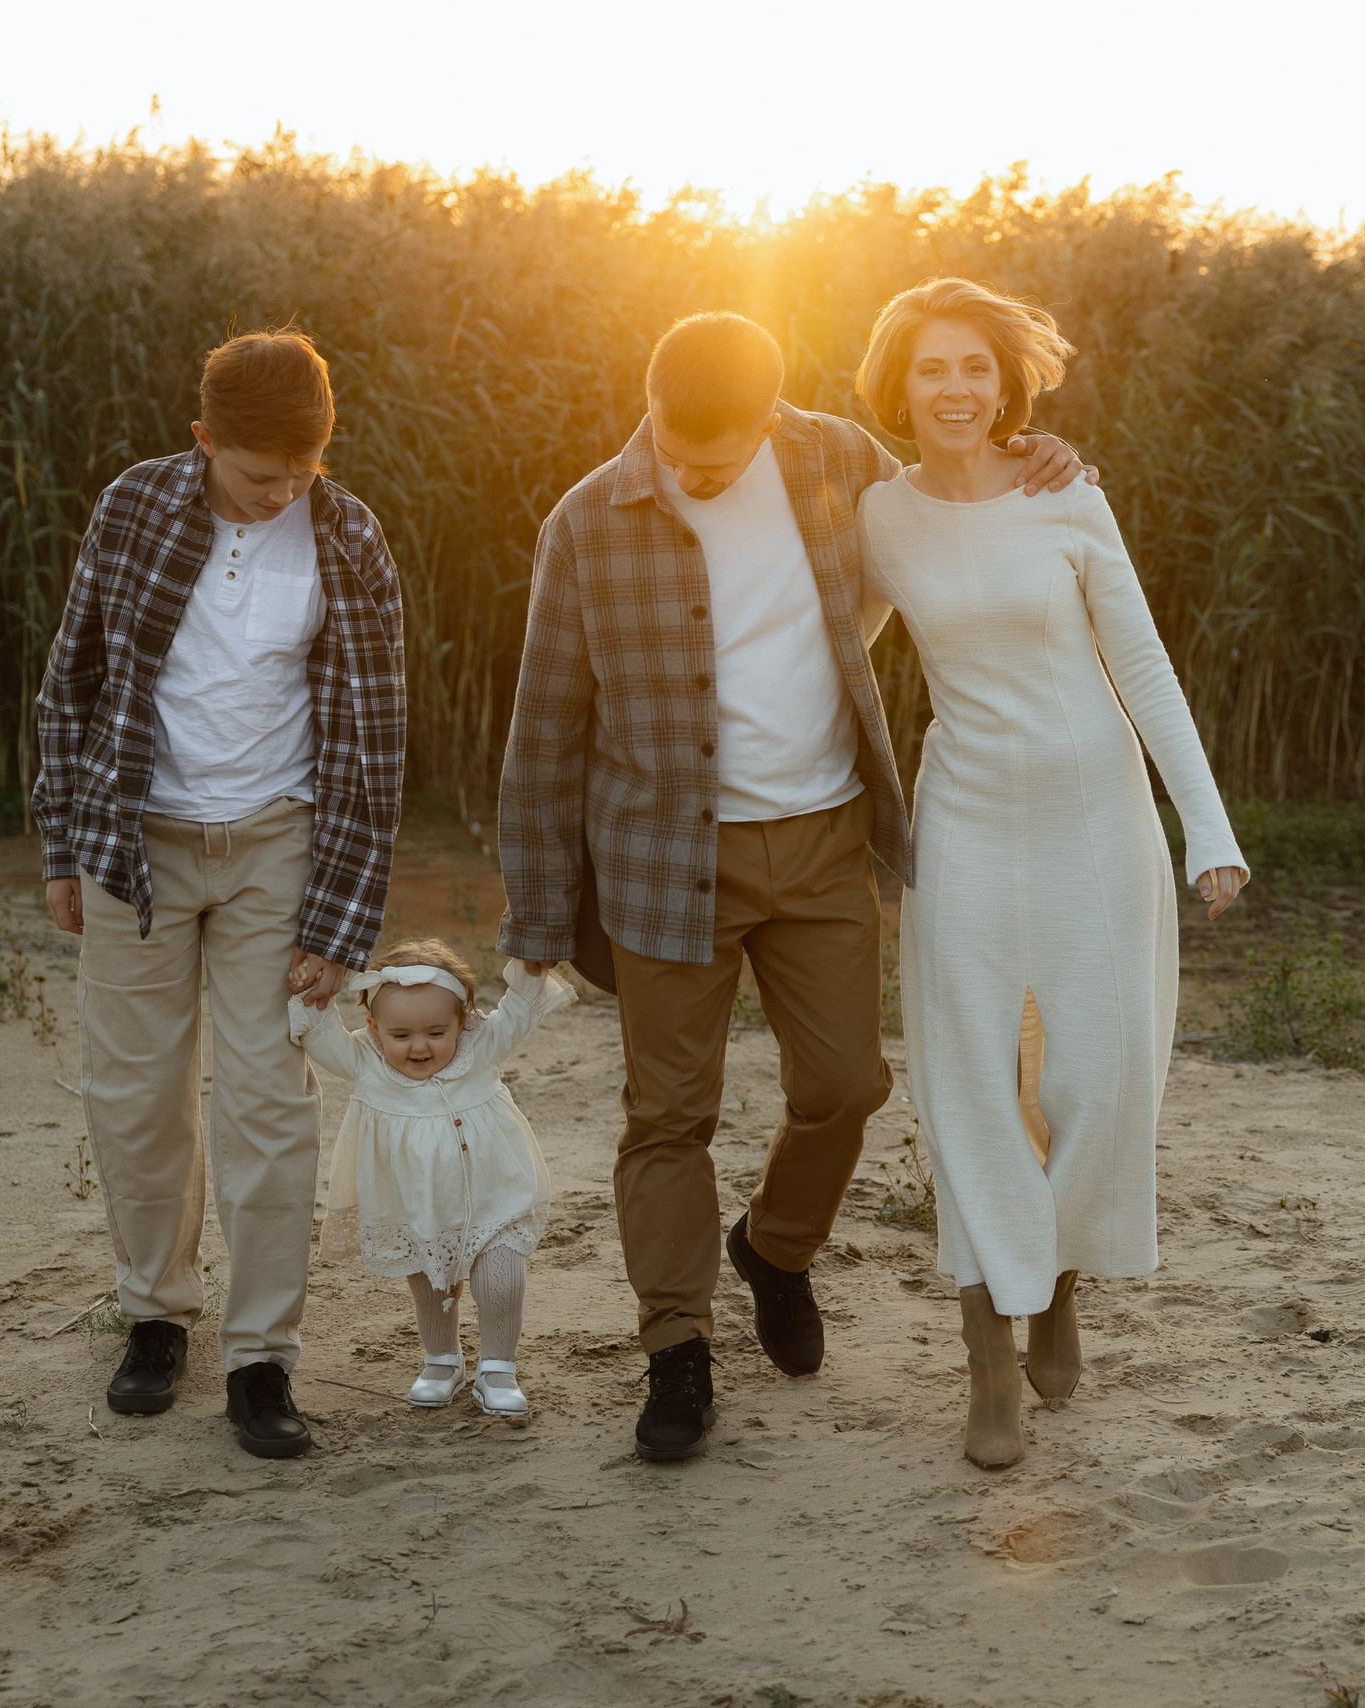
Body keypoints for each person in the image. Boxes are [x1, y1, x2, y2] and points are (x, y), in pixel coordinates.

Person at [495, 312, 1090, 1461]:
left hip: (820, 840)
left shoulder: (838, 461)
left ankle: (772, 1246)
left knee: (847, 1086)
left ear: (769, 419)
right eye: (673, 445)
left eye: (716, 458)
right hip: (666, 858)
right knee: (668, 1116)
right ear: (650, 404)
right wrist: (533, 906)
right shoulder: (587, 521)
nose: (690, 471)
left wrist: (1038, 454)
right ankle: (677, 1353)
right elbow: (544, 728)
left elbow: (954, 496)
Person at [853, 278, 1247, 1470]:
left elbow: (1142, 662)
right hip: (964, 817)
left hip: (1093, 815)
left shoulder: (1065, 492)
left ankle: (1057, 1274)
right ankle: (986, 1354)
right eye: (931, 369)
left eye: (975, 367)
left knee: (1095, 1069)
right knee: (969, 1077)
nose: (956, 389)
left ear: (1006, 382)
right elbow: (837, 649)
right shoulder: (878, 514)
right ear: (898, 386)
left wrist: (1208, 827)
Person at [33, 329, 406, 1459]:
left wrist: (341, 921)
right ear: (202, 443)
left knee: (266, 1104)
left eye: (299, 474)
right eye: (254, 476)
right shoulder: (135, 507)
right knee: (135, 1091)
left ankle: (260, 1354)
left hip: (275, 849)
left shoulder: (347, 537)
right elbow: (72, 677)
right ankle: (155, 1313)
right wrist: (61, 845)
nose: (277, 495)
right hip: (135, 842)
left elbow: (374, 738)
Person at [288, 940, 573, 1415]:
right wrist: (308, 985)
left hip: (493, 1196)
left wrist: (529, 967)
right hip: (417, 1204)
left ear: (463, 1022)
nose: (419, 1047)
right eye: (401, 1035)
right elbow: (318, 1028)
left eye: (437, 1032)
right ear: (375, 1029)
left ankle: (498, 1366)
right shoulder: (365, 1061)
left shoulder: (479, 1048)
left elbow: (520, 1009)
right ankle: (442, 1360)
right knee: (431, 1282)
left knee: (500, 1282)